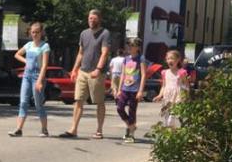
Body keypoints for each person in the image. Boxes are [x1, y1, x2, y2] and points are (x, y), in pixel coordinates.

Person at [59, 8, 110, 139]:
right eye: (89, 18)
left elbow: (104, 53)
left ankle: (99, 130)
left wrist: (98, 69)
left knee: (99, 102)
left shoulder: (105, 33)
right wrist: (75, 69)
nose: (91, 20)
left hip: (97, 73)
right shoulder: (84, 33)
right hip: (83, 71)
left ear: (99, 19)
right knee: (78, 100)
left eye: (94, 18)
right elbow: (81, 53)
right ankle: (73, 129)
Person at [9, 21, 50, 137]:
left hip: (38, 76)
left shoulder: (44, 46)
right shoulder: (28, 45)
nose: (34, 34)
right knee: (23, 102)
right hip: (27, 76)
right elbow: (17, 54)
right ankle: (18, 129)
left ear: (41, 33)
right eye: (32, 32)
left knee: (38, 103)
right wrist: (26, 61)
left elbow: (44, 66)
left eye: (37, 32)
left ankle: (44, 129)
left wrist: (40, 81)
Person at [116, 38, 148, 143]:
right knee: (120, 108)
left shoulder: (141, 59)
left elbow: (143, 75)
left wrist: (140, 91)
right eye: (128, 45)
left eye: (132, 45)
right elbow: (123, 74)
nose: (129, 47)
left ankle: (131, 134)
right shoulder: (126, 59)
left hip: (134, 89)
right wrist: (119, 89)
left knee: (132, 111)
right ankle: (131, 126)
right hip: (125, 88)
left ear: (137, 47)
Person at [153, 49, 189, 128]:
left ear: (178, 60)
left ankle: (174, 132)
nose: (170, 60)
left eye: (172, 58)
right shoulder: (164, 72)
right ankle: (172, 136)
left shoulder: (181, 72)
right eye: (168, 59)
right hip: (167, 97)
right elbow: (164, 85)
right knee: (167, 120)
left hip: (177, 97)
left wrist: (185, 96)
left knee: (171, 120)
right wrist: (159, 95)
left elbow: (186, 85)